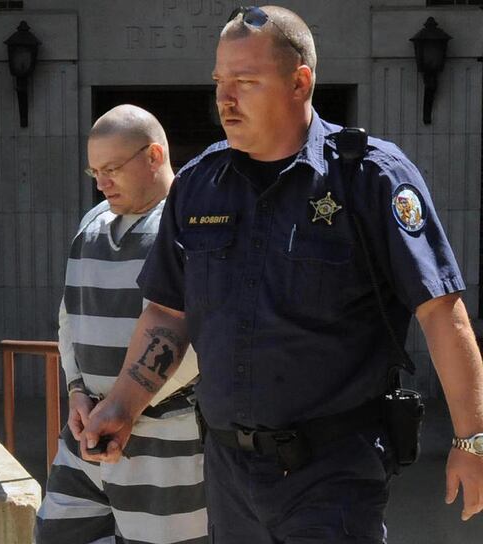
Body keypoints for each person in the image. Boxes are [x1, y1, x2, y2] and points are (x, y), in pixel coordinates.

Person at [82, 6, 483, 543]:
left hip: (332, 473)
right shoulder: (201, 184)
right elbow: (168, 310)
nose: (224, 99)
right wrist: (122, 404)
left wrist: (471, 440)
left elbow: (440, 311)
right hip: (227, 474)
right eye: (220, 82)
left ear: (300, 82)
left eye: (245, 82)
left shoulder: (368, 177)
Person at [35, 105, 208, 544]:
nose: (101, 182)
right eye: (94, 170)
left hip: (168, 440)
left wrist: (121, 405)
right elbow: (68, 316)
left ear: (154, 155)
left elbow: (198, 335)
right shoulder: (91, 222)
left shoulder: (195, 224)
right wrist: (76, 391)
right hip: (85, 435)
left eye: (112, 168)